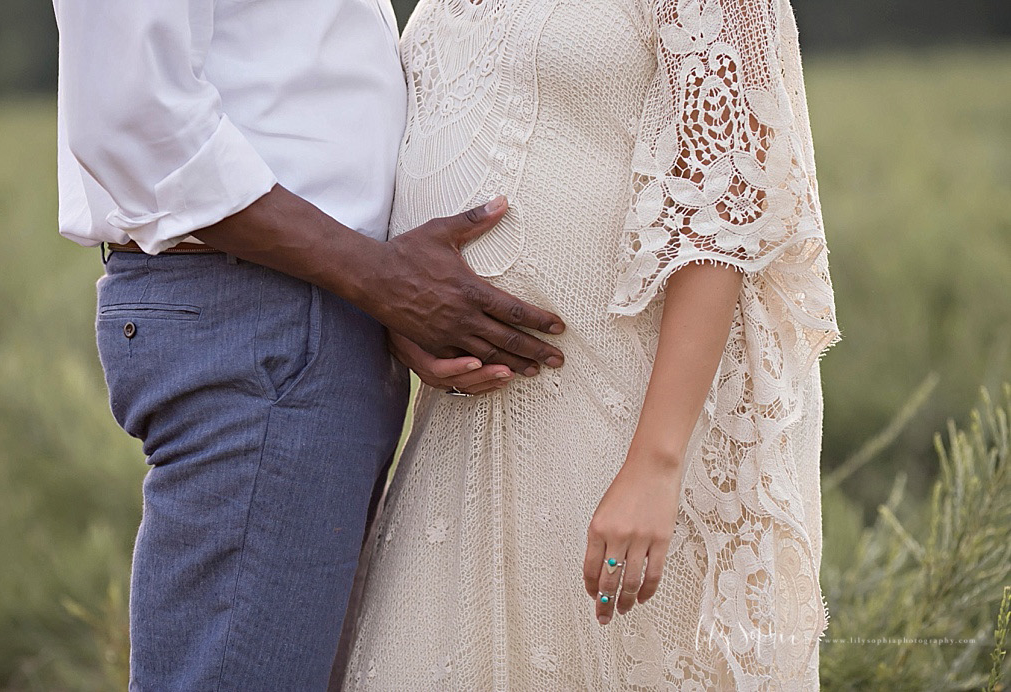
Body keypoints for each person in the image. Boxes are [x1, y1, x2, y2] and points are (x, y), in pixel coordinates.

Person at [54, 1, 569, 688]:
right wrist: (381, 279)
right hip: (260, 309)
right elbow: (134, 113)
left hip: (306, 305)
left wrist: (378, 284)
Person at [338, 0, 841, 689]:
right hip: (460, 440)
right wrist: (404, 318)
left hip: (627, 424)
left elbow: (725, 209)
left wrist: (656, 465)